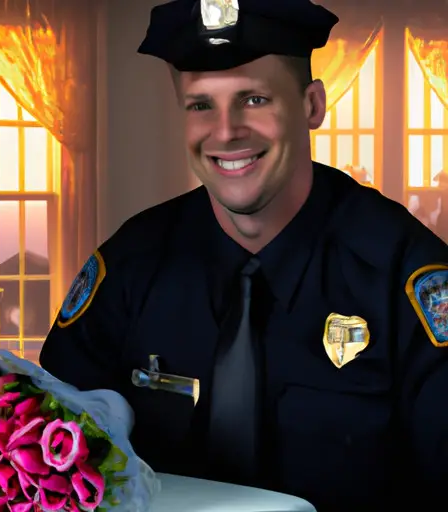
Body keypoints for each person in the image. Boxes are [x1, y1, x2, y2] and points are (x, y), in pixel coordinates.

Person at [39, 0, 448, 510]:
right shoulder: (131, 264)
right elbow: (47, 461)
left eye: (254, 99)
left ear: (312, 106)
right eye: (201, 104)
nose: (226, 131)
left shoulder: (403, 276)